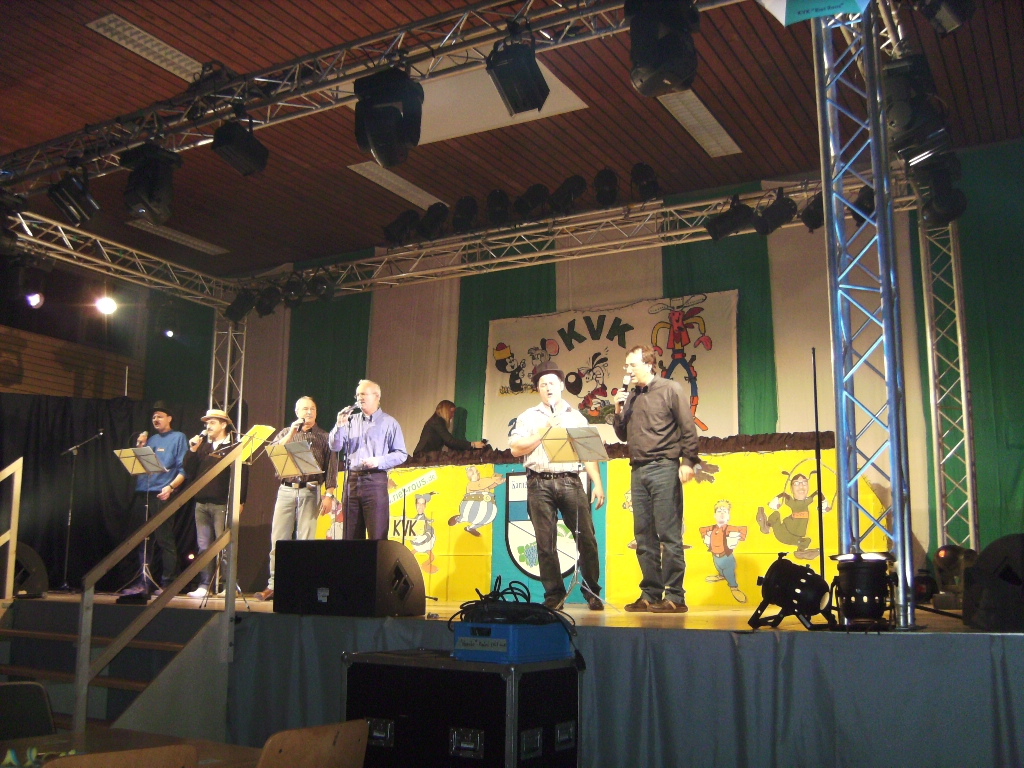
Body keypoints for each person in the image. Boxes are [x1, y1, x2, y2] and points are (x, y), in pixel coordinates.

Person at [509, 361, 605, 611]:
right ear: (538, 389)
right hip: (538, 483)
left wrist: (597, 482)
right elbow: (515, 448)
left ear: (561, 385)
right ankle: (554, 594)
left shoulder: (575, 416)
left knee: (587, 539)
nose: (548, 388)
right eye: (543, 384)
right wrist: (544, 431)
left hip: (570, 481)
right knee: (545, 543)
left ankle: (591, 591)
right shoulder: (528, 417)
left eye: (552, 383)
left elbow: (589, 452)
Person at [613, 344, 700, 613]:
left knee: (669, 534)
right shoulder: (631, 396)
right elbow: (622, 435)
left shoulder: (670, 389)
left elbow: (688, 428)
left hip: (664, 466)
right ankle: (650, 593)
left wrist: (688, 461)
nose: (628, 370)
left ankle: (675, 596)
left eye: (632, 365)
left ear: (649, 364)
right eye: (627, 365)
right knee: (644, 536)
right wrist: (617, 408)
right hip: (637, 469)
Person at [256, 396, 338, 602]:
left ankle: (303, 586)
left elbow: (331, 468)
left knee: (306, 542)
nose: (308, 412)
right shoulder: (286, 432)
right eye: (304, 409)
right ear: (296, 412)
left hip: (311, 490)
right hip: (286, 490)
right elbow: (274, 452)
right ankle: (274, 585)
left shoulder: (324, 437)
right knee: (278, 539)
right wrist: (292, 433)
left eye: (312, 409)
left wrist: (329, 495)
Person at [121, 401, 188, 596]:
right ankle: (143, 582)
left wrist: (171, 487)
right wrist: (140, 447)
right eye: (153, 417)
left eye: (159, 416)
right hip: (144, 492)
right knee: (143, 539)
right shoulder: (150, 440)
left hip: (162, 492)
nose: (155, 419)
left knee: (164, 538)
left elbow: (183, 469)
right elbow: (138, 469)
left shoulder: (178, 437)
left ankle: (169, 582)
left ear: (169, 418)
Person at [182, 408, 249, 599]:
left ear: (224, 424)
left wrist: (240, 500)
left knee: (225, 547)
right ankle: (205, 585)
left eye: (212, 422)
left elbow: (243, 475)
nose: (208, 426)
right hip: (201, 503)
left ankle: (229, 585)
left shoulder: (233, 446)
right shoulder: (203, 447)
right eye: (207, 423)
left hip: (222, 503)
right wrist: (192, 449)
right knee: (204, 547)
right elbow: (188, 470)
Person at [329, 380, 408, 540]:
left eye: (364, 394)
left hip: (375, 481)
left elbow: (401, 454)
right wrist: (339, 425)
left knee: (377, 536)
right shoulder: (350, 421)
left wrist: (379, 461)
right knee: (350, 536)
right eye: (358, 395)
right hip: (352, 481)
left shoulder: (389, 423)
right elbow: (335, 446)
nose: (360, 398)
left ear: (377, 397)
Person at [700, 500, 747, 603]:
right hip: (715, 556)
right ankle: (721, 576)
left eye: (724, 511)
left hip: (726, 558)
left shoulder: (729, 528)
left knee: (729, 572)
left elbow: (743, 530)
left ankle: (734, 587)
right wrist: (706, 536)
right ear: (714, 515)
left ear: (728, 516)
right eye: (719, 511)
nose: (722, 514)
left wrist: (735, 537)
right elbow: (702, 530)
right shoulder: (712, 528)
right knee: (718, 568)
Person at [412, 400, 485, 458]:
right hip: (423, 456)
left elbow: (450, 443)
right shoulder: (437, 421)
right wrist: (472, 444)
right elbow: (450, 441)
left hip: (424, 455)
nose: (452, 415)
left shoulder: (436, 421)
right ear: (445, 411)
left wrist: (470, 447)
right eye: (451, 412)